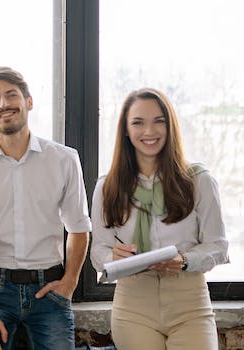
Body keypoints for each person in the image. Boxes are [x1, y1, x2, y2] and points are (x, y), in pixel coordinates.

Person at [0, 66, 92, 350]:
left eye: (11, 95)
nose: (3, 104)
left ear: (28, 102)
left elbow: (79, 229)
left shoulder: (64, 160)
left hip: (50, 289)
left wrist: (69, 283)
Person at [90, 88, 228, 349]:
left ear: (170, 126)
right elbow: (98, 251)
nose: (149, 131)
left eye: (158, 121)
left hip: (190, 303)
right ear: (126, 131)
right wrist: (113, 258)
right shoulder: (108, 186)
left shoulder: (198, 181)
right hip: (133, 303)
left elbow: (219, 247)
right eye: (138, 123)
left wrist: (185, 261)